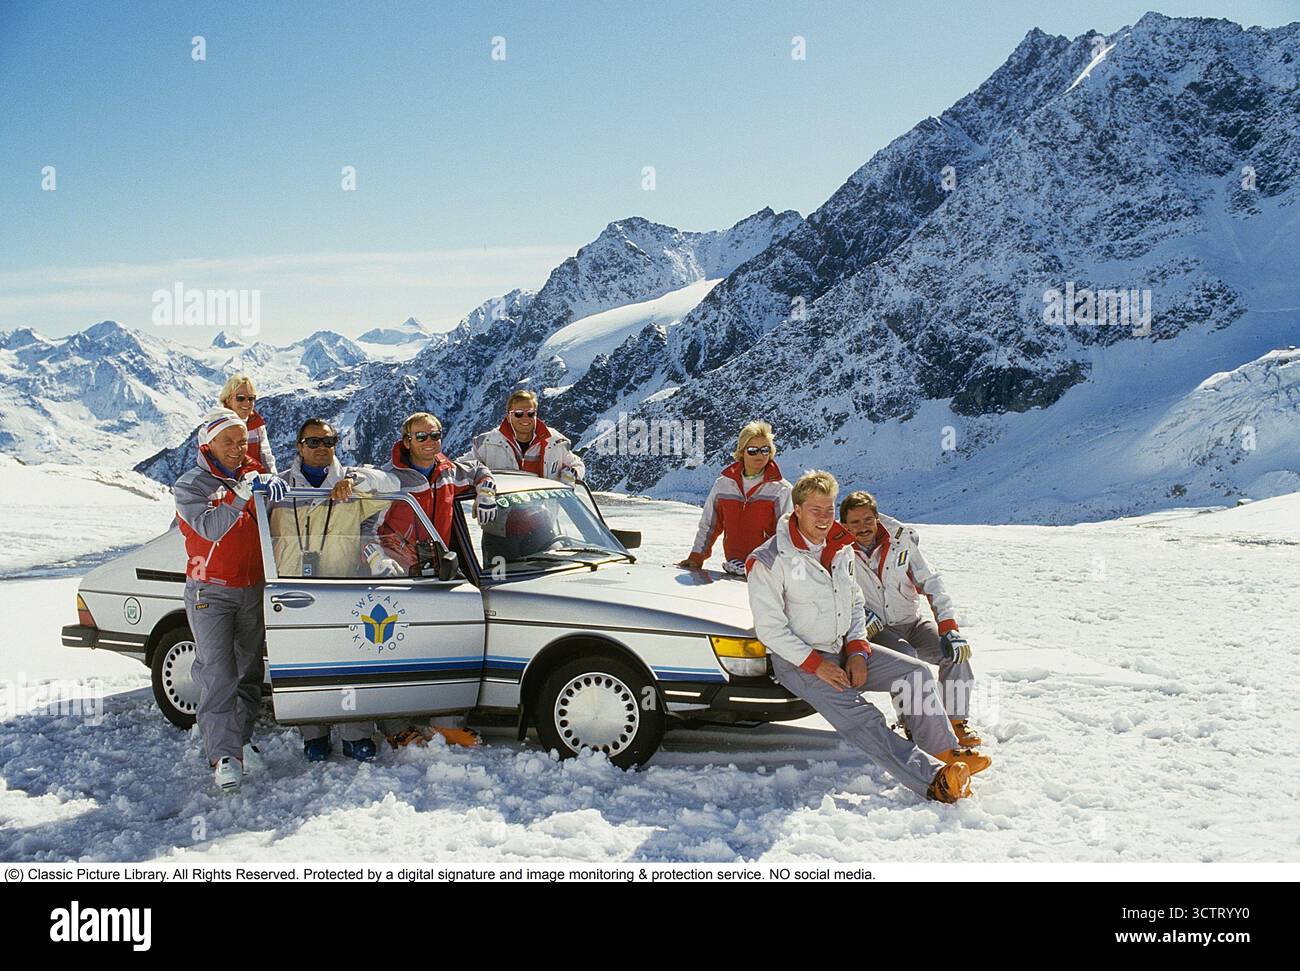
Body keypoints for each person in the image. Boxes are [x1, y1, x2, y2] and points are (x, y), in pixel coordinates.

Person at [745, 470, 990, 804]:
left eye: (829, 510)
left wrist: (858, 650)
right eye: (816, 510)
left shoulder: (840, 548)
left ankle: (946, 755)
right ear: (797, 509)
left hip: (843, 649)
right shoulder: (770, 560)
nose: (824, 518)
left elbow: (855, 604)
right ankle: (934, 780)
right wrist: (818, 665)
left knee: (914, 672)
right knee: (864, 718)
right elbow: (770, 629)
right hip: (799, 661)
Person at [269, 418, 401, 762]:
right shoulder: (279, 488)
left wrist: (353, 481)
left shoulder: (351, 484)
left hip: (340, 585)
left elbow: (392, 482)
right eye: (313, 442)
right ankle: (314, 733)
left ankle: (355, 734)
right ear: (299, 446)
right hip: (293, 589)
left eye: (328, 442)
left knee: (348, 663)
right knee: (302, 664)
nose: (321, 449)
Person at [174, 408, 287, 792]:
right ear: (209, 444)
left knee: (248, 674)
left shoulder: (252, 477)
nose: (239, 448)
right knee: (218, 674)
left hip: (251, 588)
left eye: (243, 441)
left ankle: (239, 741)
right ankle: (223, 756)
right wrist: (241, 494)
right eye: (229, 441)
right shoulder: (191, 486)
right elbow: (209, 529)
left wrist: (272, 494)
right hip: (211, 592)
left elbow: (274, 527)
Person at [377, 411, 497, 749]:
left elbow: (477, 470)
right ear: (406, 442)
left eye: (436, 435)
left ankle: (445, 724)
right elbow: (363, 525)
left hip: (436, 574)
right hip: (398, 578)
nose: (430, 442)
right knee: (392, 652)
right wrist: (380, 560)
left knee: (445, 649)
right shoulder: (389, 479)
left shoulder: (447, 472)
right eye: (422, 437)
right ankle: (396, 726)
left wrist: (486, 489)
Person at [840, 491, 982, 747]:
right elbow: (834, 595)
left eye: (868, 520)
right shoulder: (838, 552)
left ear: (877, 518)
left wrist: (949, 628)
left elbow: (930, 581)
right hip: (877, 630)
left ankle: (957, 722)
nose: (863, 528)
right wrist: (860, 617)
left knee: (955, 654)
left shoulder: (900, 542)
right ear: (844, 525)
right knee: (907, 661)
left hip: (912, 621)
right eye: (855, 523)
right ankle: (915, 725)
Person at [679, 420, 791, 576]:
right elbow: (709, 524)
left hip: (768, 572)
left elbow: (786, 536)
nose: (760, 455)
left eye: (765, 450)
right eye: (753, 450)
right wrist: (697, 556)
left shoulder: (781, 490)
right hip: (733, 568)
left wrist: (761, 565)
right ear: (742, 452)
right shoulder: (724, 485)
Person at [464, 389, 584, 483]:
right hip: (501, 513)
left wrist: (572, 474)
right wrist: (483, 483)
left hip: (546, 513)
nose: (525, 418)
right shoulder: (487, 443)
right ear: (508, 417)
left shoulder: (555, 441)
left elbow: (577, 464)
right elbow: (463, 468)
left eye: (530, 413)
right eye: (518, 414)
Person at [219, 373, 276, 475]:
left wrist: (273, 477)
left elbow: (266, 456)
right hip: (226, 484)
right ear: (228, 400)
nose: (247, 403)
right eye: (240, 398)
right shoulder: (216, 425)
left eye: (251, 398)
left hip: (256, 483)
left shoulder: (256, 425)